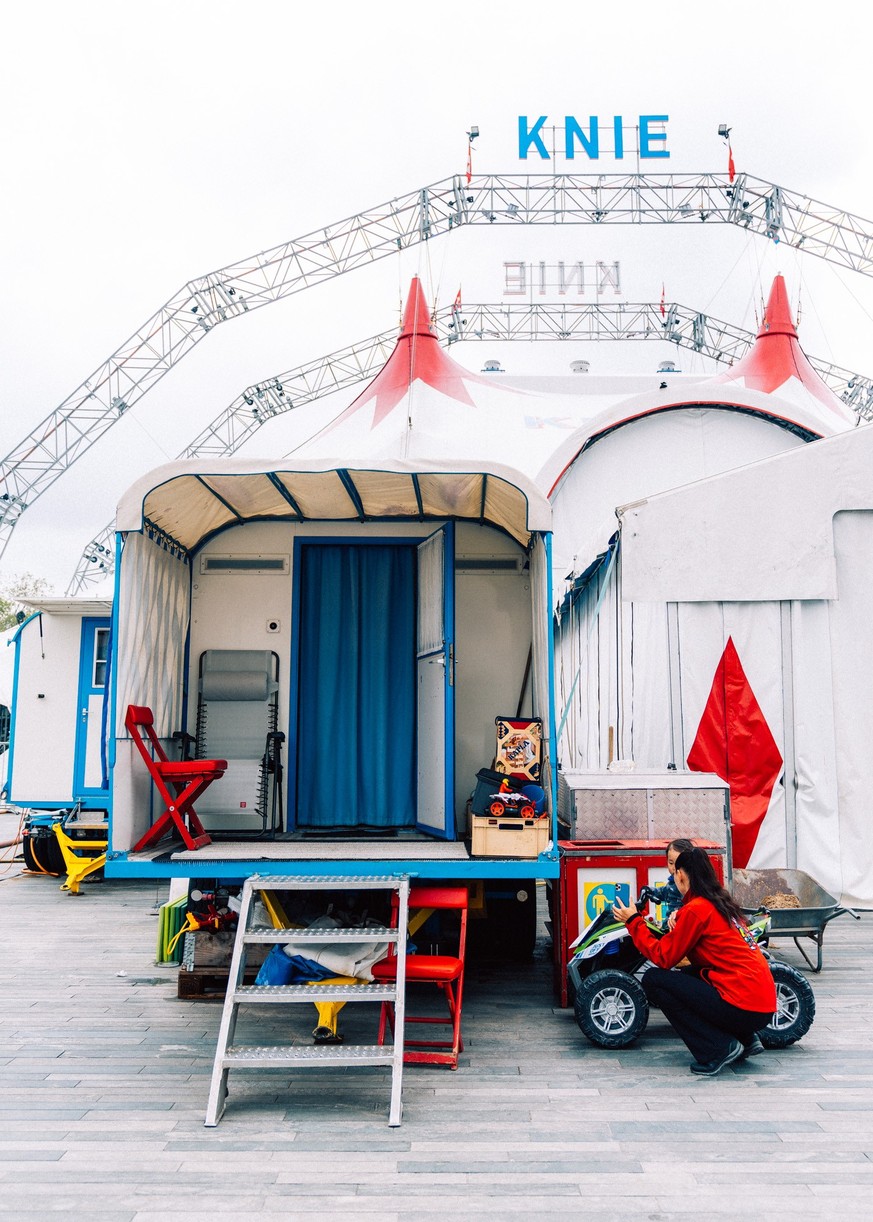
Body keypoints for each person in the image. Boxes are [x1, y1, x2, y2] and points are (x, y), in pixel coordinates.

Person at [612, 846, 777, 1076]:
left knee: (655, 980)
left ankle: (716, 1049)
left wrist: (633, 921)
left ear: (680, 874)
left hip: (743, 1004)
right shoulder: (720, 903)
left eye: (673, 871)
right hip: (762, 1004)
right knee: (689, 976)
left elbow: (664, 957)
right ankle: (745, 1039)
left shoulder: (696, 909)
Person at [648, 838, 695, 929]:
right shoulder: (672, 882)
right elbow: (665, 891)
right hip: (668, 925)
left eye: (679, 863)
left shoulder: (688, 885)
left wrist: (680, 913)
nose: (674, 867)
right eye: (671, 863)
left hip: (680, 926)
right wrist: (650, 891)